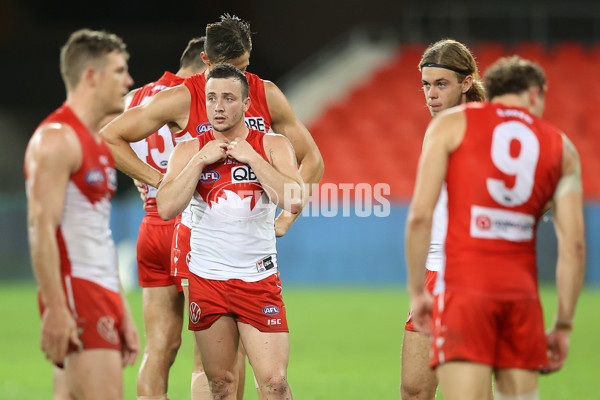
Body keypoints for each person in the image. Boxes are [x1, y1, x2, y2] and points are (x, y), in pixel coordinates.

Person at [101, 13, 324, 398]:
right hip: (192, 235)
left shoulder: (262, 92)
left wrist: (288, 216)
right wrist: (161, 181)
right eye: (231, 70)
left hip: (244, 245)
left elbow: (312, 160)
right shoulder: (183, 98)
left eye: (244, 69)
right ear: (206, 63)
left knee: (239, 370)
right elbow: (109, 138)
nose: (240, 79)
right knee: (213, 368)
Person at [405, 55, 586, 400]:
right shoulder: (560, 145)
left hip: (463, 282)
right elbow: (575, 246)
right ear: (535, 95)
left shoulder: (454, 125)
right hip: (519, 289)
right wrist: (563, 325)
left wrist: (417, 291)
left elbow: (418, 216)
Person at [157, 63, 301, 399]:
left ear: (247, 104)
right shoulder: (190, 150)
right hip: (208, 280)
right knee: (220, 385)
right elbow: (166, 207)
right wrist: (197, 164)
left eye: (228, 98)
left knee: (275, 384)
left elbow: (293, 200)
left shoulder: (272, 144)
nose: (218, 106)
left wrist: (252, 157)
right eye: (211, 98)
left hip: (257, 281)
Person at [24, 29, 139, 400]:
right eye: (120, 71)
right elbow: (41, 226)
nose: (129, 81)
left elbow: (97, 235)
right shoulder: (57, 139)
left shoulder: (98, 144)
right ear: (92, 76)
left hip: (98, 290)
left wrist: (121, 309)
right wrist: (56, 309)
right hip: (78, 291)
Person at [401, 39, 486, 400]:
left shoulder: (486, 129)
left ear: (466, 83)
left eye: (441, 84)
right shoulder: (439, 128)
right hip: (436, 272)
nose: (431, 94)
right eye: (426, 84)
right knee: (415, 389)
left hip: (471, 274)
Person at [126, 37, 207, 400]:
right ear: (205, 63)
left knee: (157, 348)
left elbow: (119, 147)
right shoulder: (191, 96)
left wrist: (151, 184)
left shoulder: (136, 98)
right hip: (190, 225)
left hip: (151, 222)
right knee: (209, 357)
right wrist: (168, 182)